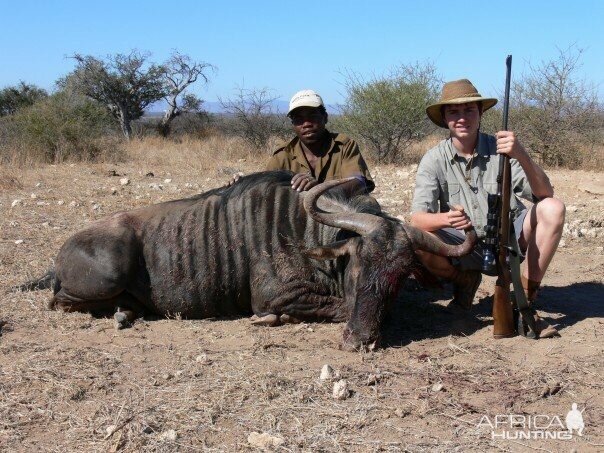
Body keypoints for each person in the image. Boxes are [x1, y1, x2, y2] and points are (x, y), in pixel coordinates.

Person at [410, 79, 565, 337]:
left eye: (469, 110)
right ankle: (464, 282)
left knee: (553, 208)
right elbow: (416, 220)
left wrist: (521, 155)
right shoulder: (433, 159)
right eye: (454, 112)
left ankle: (523, 299)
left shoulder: (502, 150)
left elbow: (544, 193)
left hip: (509, 242)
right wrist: (447, 219)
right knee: (414, 240)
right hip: (464, 245)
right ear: (445, 118)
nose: (462, 118)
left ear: (480, 114)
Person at [231, 90, 374, 194]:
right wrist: (240, 185)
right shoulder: (282, 155)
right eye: (299, 119)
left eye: (312, 116)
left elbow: (359, 182)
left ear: (325, 117)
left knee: (367, 203)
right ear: (293, 124)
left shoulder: (344, 145)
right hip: (299, 218)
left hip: (339, 210)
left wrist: (319, 188)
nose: (306, 124)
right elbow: (265, 188)